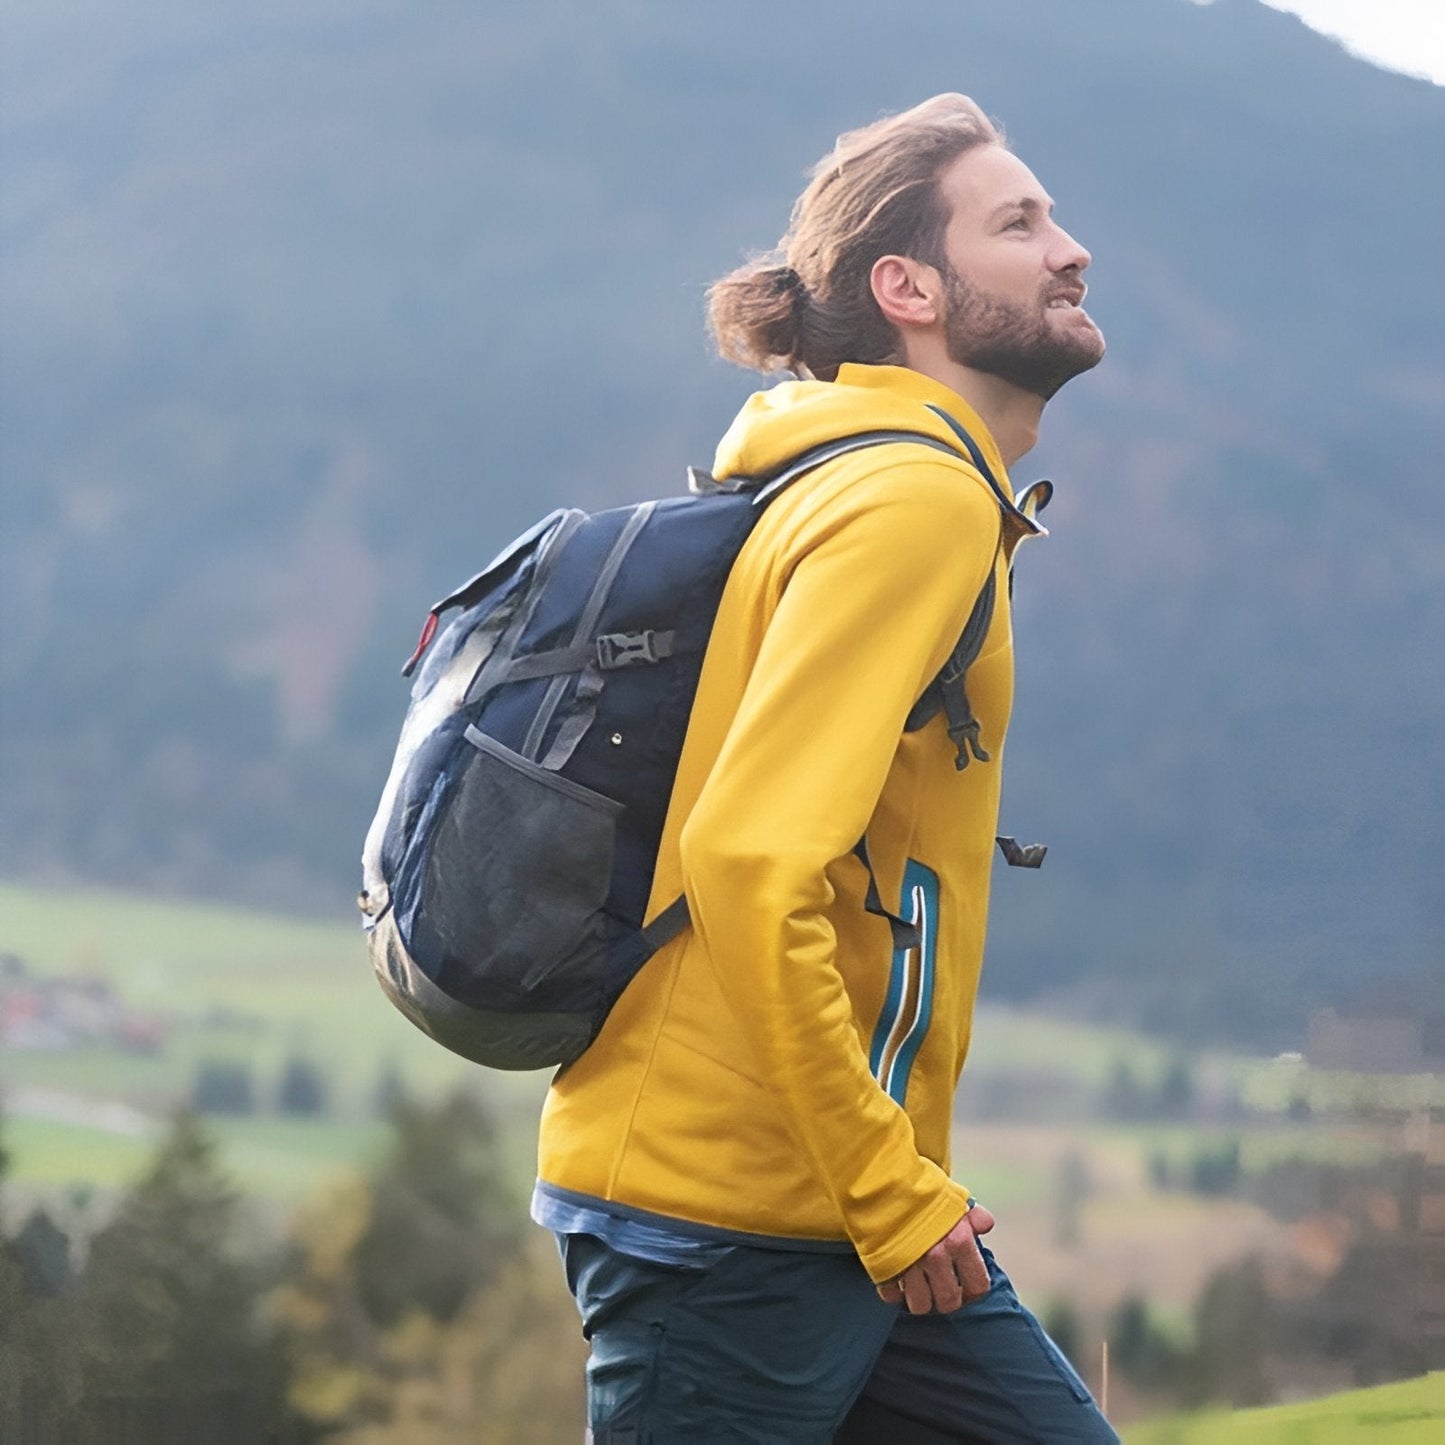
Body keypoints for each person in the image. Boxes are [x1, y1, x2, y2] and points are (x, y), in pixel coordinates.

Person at [531, 93, 1119, 1443]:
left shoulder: (862, 477)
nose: (1068, 249)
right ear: (904, 286)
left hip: (841, 1202)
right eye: (1017, 224)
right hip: (734, 1213)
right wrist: (882, 1186)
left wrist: (883, 1188)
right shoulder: (909, 500)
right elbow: (748, 854)